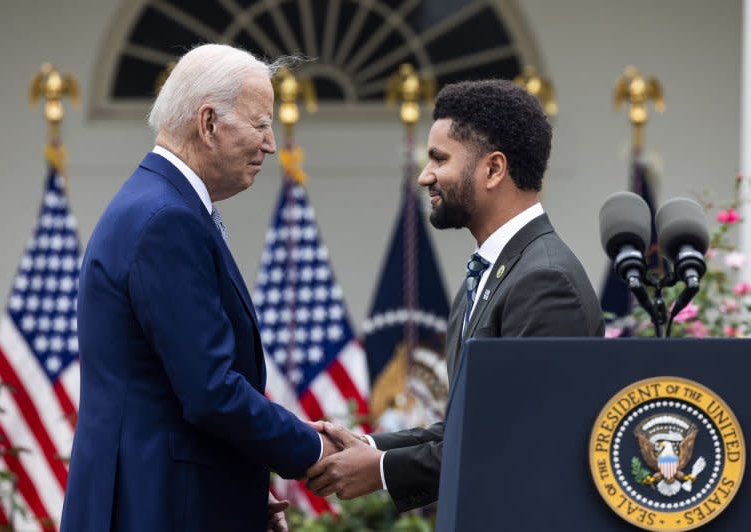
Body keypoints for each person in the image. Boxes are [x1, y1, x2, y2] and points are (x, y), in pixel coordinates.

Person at [60, 44, 337, 532]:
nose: (271, 144)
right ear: (208, 123)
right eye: (259, 124)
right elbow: (210, 391)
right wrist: (316, 451)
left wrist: (240, 490)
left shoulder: (158, 204)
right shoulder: (168, 220)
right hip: (157, 509)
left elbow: (170, 394)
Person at [306, 79, 605, 511]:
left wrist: (383, 469)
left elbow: (521, 440)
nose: (425, 175)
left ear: (492, 169)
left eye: (439, 159)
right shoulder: (491, 273)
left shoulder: (545, 281)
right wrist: (368, 444)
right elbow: (472, 425)